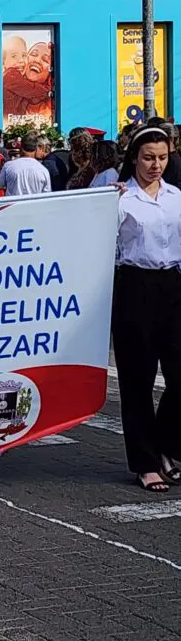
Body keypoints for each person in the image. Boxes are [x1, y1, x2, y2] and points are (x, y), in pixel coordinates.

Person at [113, 126, 181, 491]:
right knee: (137, 381)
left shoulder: (176, 197)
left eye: (163, 158)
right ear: (134, 158)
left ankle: (168, 446)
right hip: (134, 286)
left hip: (173, 286)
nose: (156, 165)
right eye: (149, 157)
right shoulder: (120, 198)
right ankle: (145, 462)